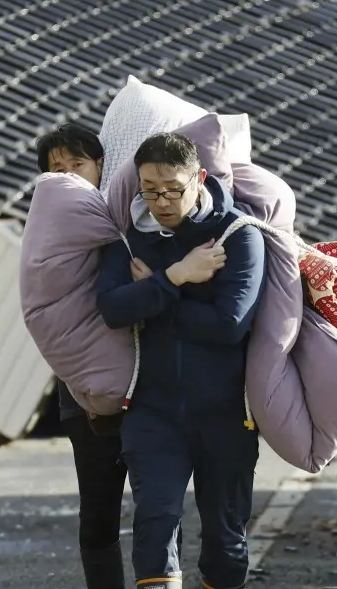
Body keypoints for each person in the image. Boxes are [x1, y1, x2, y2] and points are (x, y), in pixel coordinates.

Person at [96, 133, 266, 589]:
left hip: (227, 413)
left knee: (226, 542)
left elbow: (230, 325)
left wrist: (156, 295)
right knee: (154, 523)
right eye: (150, 190)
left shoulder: (238, 235)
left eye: (173, 188)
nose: (162, 201)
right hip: (153, 410)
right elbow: (113, 309)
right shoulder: (131, 241)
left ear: (200, 179)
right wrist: (177, 276)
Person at [35, 122, 129, 589]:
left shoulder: (131, 213)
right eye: (59, 168)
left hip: (145, 383)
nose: (70, 175)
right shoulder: (47, 228)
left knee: (161, 505)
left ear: (100, 167)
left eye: (79, 165)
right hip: (84, 392)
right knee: (98, 508)